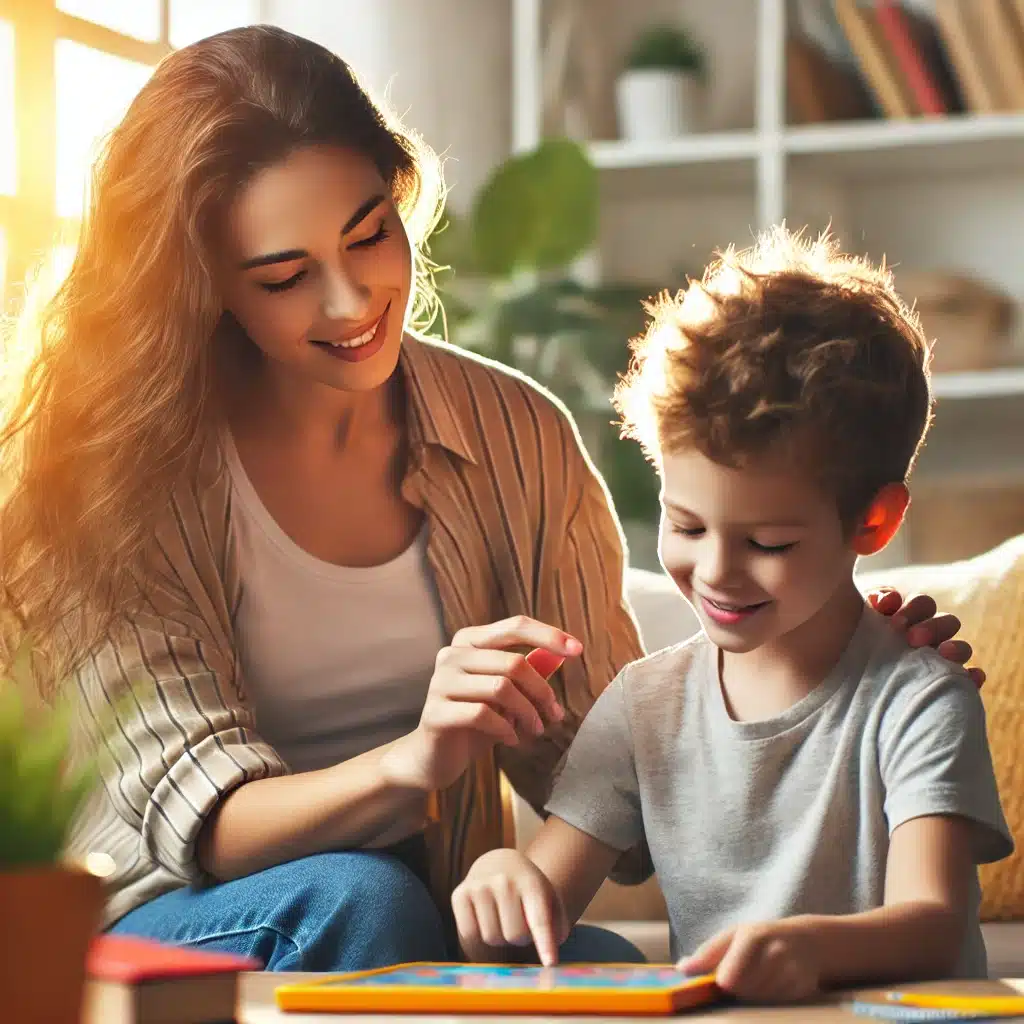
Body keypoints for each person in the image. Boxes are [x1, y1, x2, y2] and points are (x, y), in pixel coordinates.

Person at [0, 26, 978, 974]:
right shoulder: (118, 475)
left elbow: (625, 797)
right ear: (204, 283)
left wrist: (827, 660)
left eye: (369, 234)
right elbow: (202, 823)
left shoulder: (517, 436)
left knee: (592, 971)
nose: (350, 301)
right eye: (287, 276)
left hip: (424, 898)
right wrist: (415, 758)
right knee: (358, 899)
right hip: (175, 918)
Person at [452, 229, 1013, 997]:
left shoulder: (918, 700)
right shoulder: (643, 707)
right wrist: (500, 882)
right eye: (685, 527)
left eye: (768, 541)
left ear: (873, 525)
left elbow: (934, 921)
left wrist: (813, 952)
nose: (715, 570)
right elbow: (543, 897)